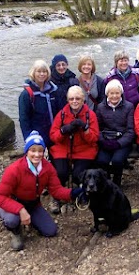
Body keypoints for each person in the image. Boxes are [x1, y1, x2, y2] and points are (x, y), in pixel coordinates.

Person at [0, 130, 85, 251]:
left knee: (50, 231)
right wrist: (20, 210)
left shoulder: (47, 168)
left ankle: (29, 220)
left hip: (32, 204)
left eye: (40, 151)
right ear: (27, 152)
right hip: (13, 202)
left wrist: (74, 193)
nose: (37, 154)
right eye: (33, 150)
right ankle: (16, 231)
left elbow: (56, 190)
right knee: (11, 220)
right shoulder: (14, 169)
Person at [49, 85, 99, 213]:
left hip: (84, 150)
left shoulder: (90, 115)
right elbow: (53, 136)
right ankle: (56, 196)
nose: (74, 101)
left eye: (77, 98)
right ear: (68, 100)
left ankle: (82, 192)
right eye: (71, 99)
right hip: (64, 148)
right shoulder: (61, 114)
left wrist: (85, 129)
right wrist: (63, 130)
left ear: (83, 100)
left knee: (79, 174)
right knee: (60, 172)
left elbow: (94, 138)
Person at [95, 79, 135, 187]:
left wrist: (119, 143)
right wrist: (103, 141)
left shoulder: (129, 106)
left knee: (117, 161)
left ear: (121, 93)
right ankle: (106, 183)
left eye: (117, 93)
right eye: (111, 93)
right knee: (102, 161)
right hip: (106, 140)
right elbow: (96, 128)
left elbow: (130, 131)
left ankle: (117, 183)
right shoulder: (100, 107)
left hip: (122, 142)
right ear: (107, 93)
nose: (114, 96)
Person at [18, 59, 58, 147]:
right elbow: (23, 119)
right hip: (36, 136)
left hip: (53, 133)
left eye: (44, 71)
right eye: (39, 71)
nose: (42, 74)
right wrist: (28, 139)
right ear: (33, 73)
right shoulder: (26, 94)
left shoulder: (53, 90)